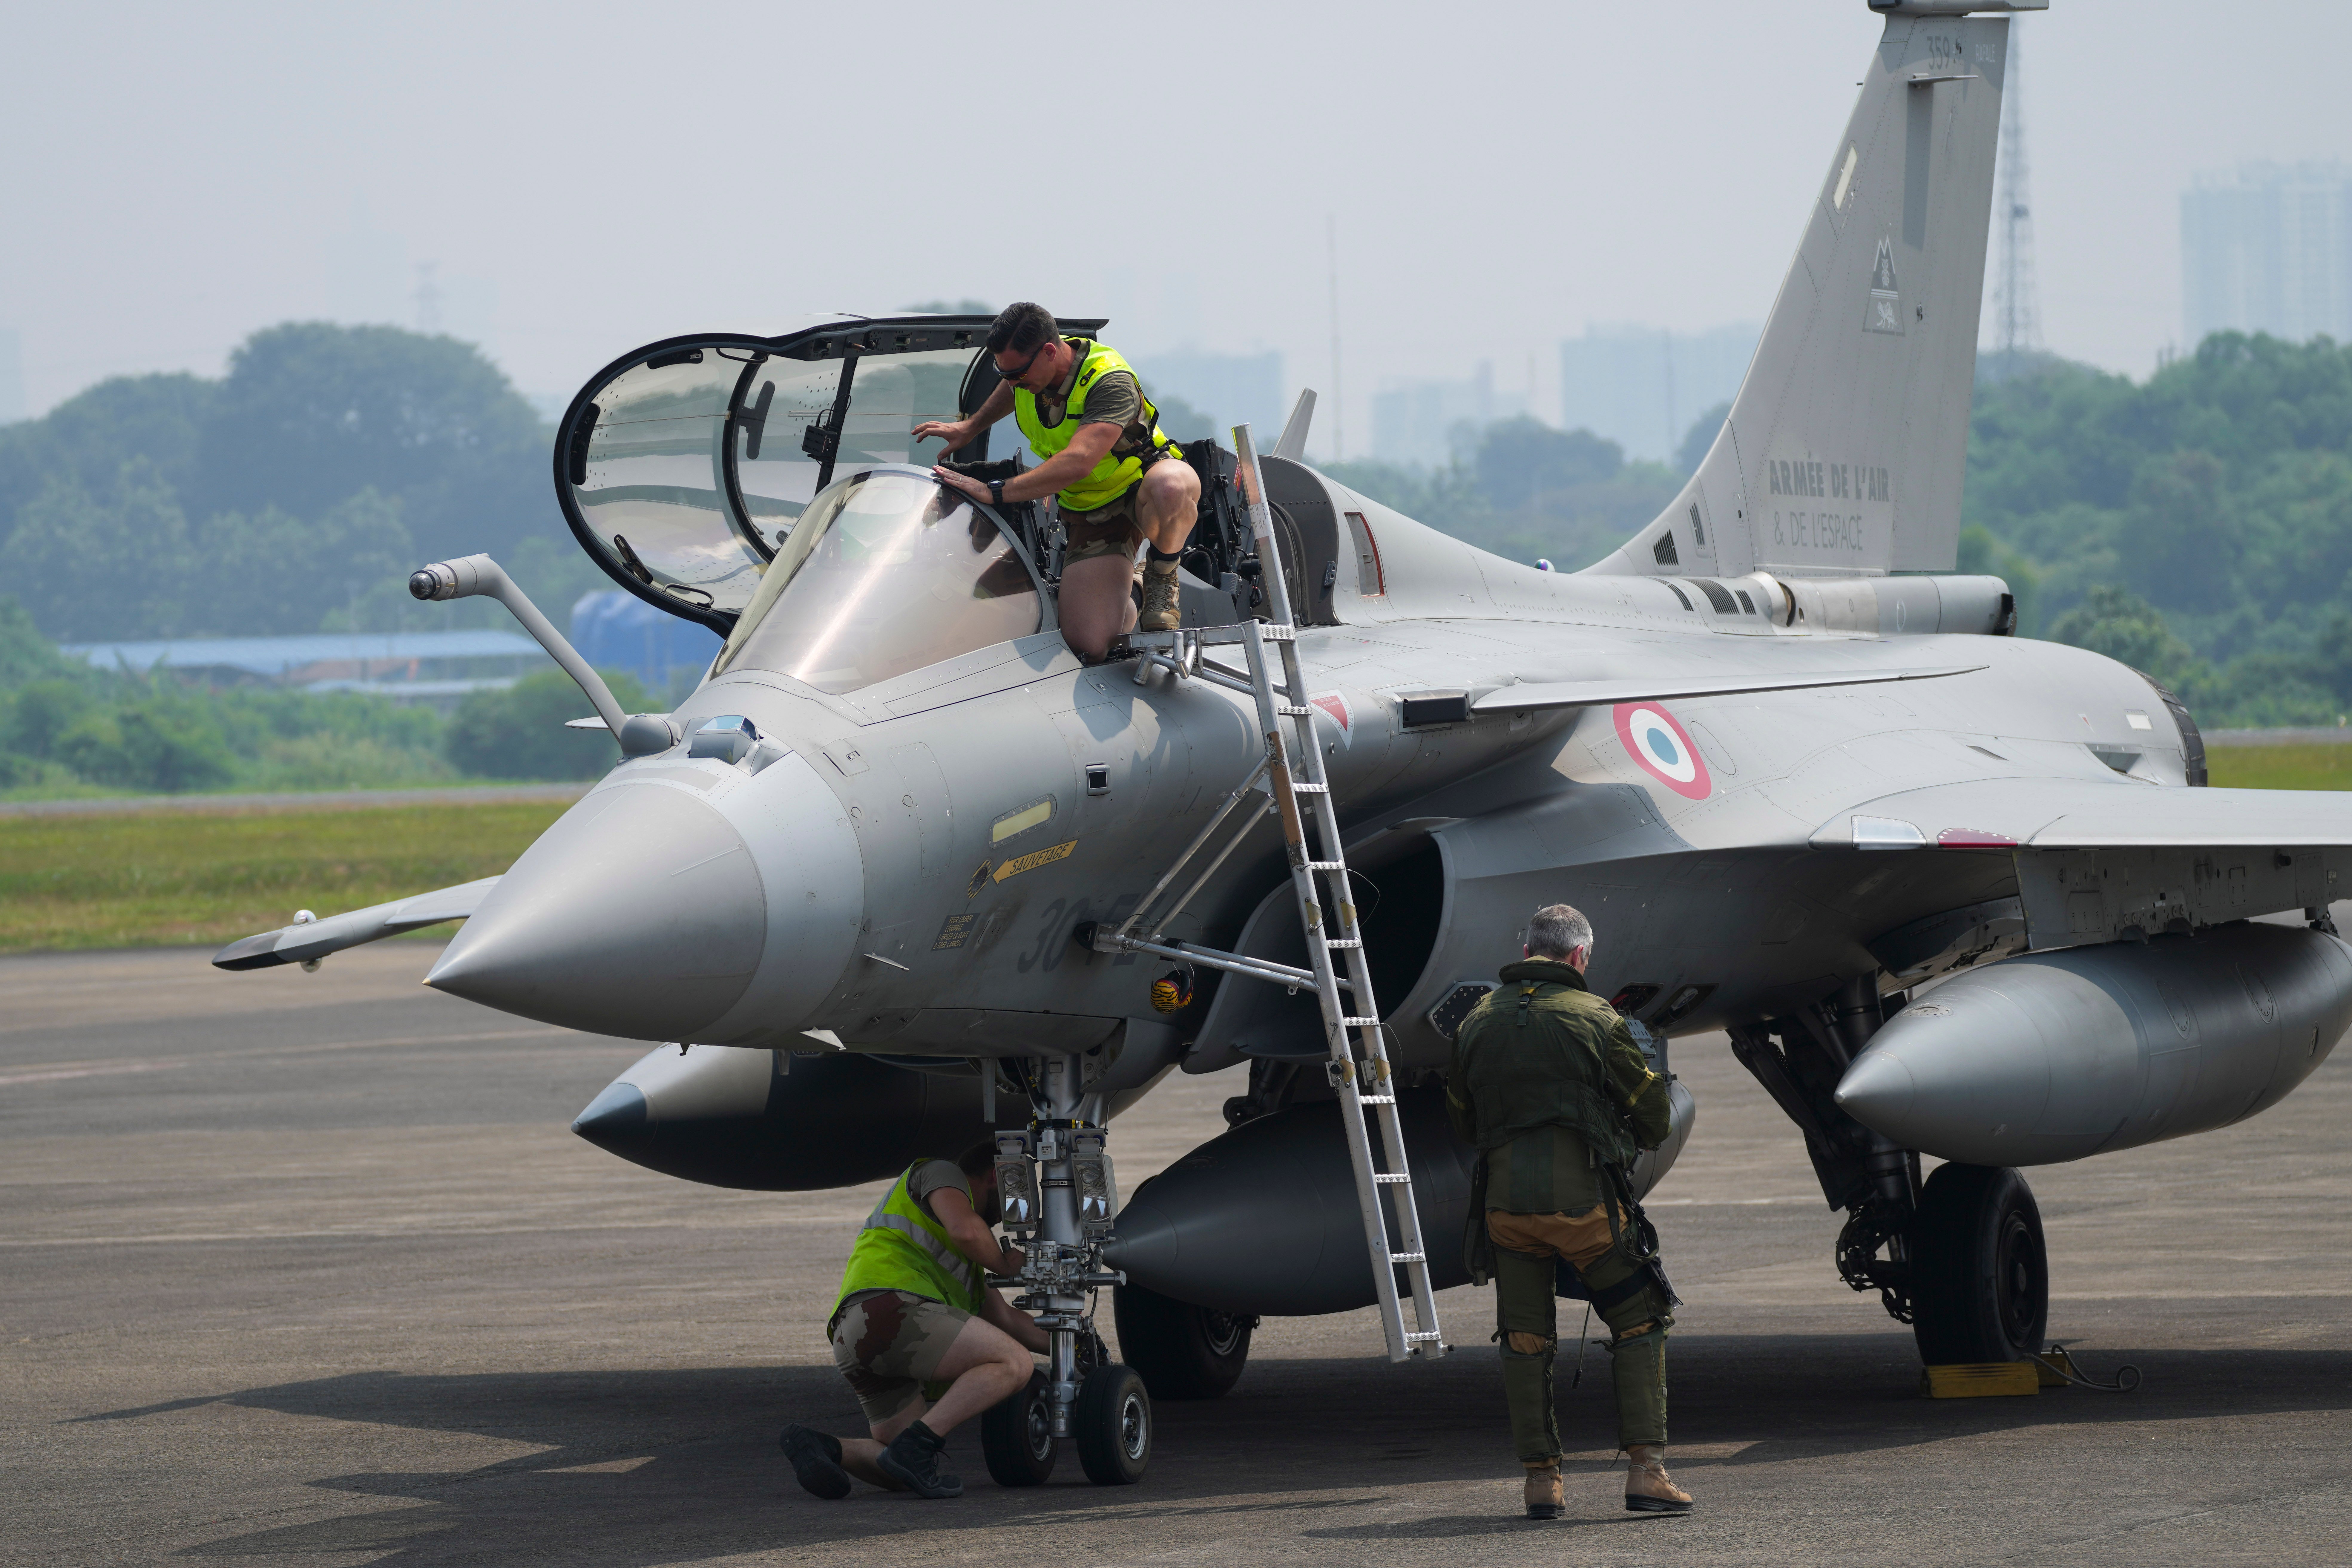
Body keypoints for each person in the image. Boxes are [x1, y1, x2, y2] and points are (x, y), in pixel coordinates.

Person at [1445, 903, 1691, 1521]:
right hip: (1585, 1210)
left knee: (1525, 1338)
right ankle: (1646, 1472)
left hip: (1505, 1209)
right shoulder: (1596, 1017)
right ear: (1579, 955)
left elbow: (1464, 1119)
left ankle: (1541, 1481)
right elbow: (1653, 1117)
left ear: (1526, 950)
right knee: (1641, 1316)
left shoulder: (1475, 1020)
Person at [916, 302, 1202, 661]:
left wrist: (994, 492)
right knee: (1089, 643)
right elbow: (1012, 387)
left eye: (1018, 374)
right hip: (1091, 507)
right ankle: (1136, 588)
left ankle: (1162, 571)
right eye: (1004, 373)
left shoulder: (1109, 381)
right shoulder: (1029, 373)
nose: (1013, 383)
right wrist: (970, 426)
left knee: (1172, 487)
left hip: (1140, 484)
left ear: (1050, 352)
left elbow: (1079, 461)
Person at [780, 1142, 1047, 1500]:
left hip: (856, 1333)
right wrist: (1005, 1264)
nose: (1003, 1217)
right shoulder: (940, 1171)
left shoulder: (964, 1265)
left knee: (899, 1471)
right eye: (1010, 1196)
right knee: (1014, 1362)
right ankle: (919, 1445)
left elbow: (1008, 1320)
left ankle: (825, 1447)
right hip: (891, 1307)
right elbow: (966, 1230)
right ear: (993, 1177)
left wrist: (1074, 1346)